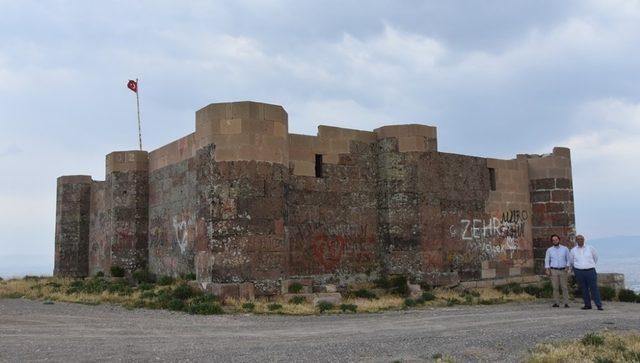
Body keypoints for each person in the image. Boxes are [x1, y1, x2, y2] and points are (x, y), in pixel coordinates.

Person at [569, 234, 603, 310]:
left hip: (590, 270)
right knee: (583, 288)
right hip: (579, 271)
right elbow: (571, 261)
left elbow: (595, 258)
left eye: (581, 239)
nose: (580, 241)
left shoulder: (590, 248)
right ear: (576, 241)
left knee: (594, 288)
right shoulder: (573, 250)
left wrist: (589, 265)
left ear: (584, 240)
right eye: (578, 239)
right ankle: (587, 305)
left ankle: (598, 305)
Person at [544, 234, 570, 308]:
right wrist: (547, 269)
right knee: (555, 287)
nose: (555, 241)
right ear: (552, 241)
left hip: (563, 270)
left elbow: (568, 259)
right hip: (553, 270)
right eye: (553, 240)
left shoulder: (565, 249)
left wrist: (567, 267)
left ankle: (566, 303)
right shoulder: (549, 250)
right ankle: (556, 302)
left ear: (559, 240)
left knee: (564, 287)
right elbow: (547, 260)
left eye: (556, 239)